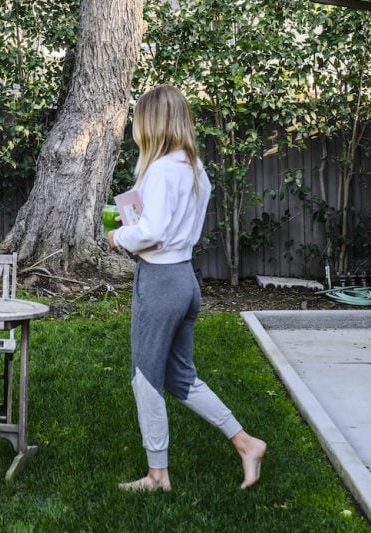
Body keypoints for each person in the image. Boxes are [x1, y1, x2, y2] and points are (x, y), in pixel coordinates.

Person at [107, 83, 266, 492]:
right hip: (186, 280)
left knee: (145, 378)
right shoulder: (195, 169)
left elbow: (153, 230)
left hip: (159, 282)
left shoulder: (160, 170)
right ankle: (246, 443)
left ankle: (158, 475)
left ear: (153, 123)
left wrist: (118, 238)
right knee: (181, 378)